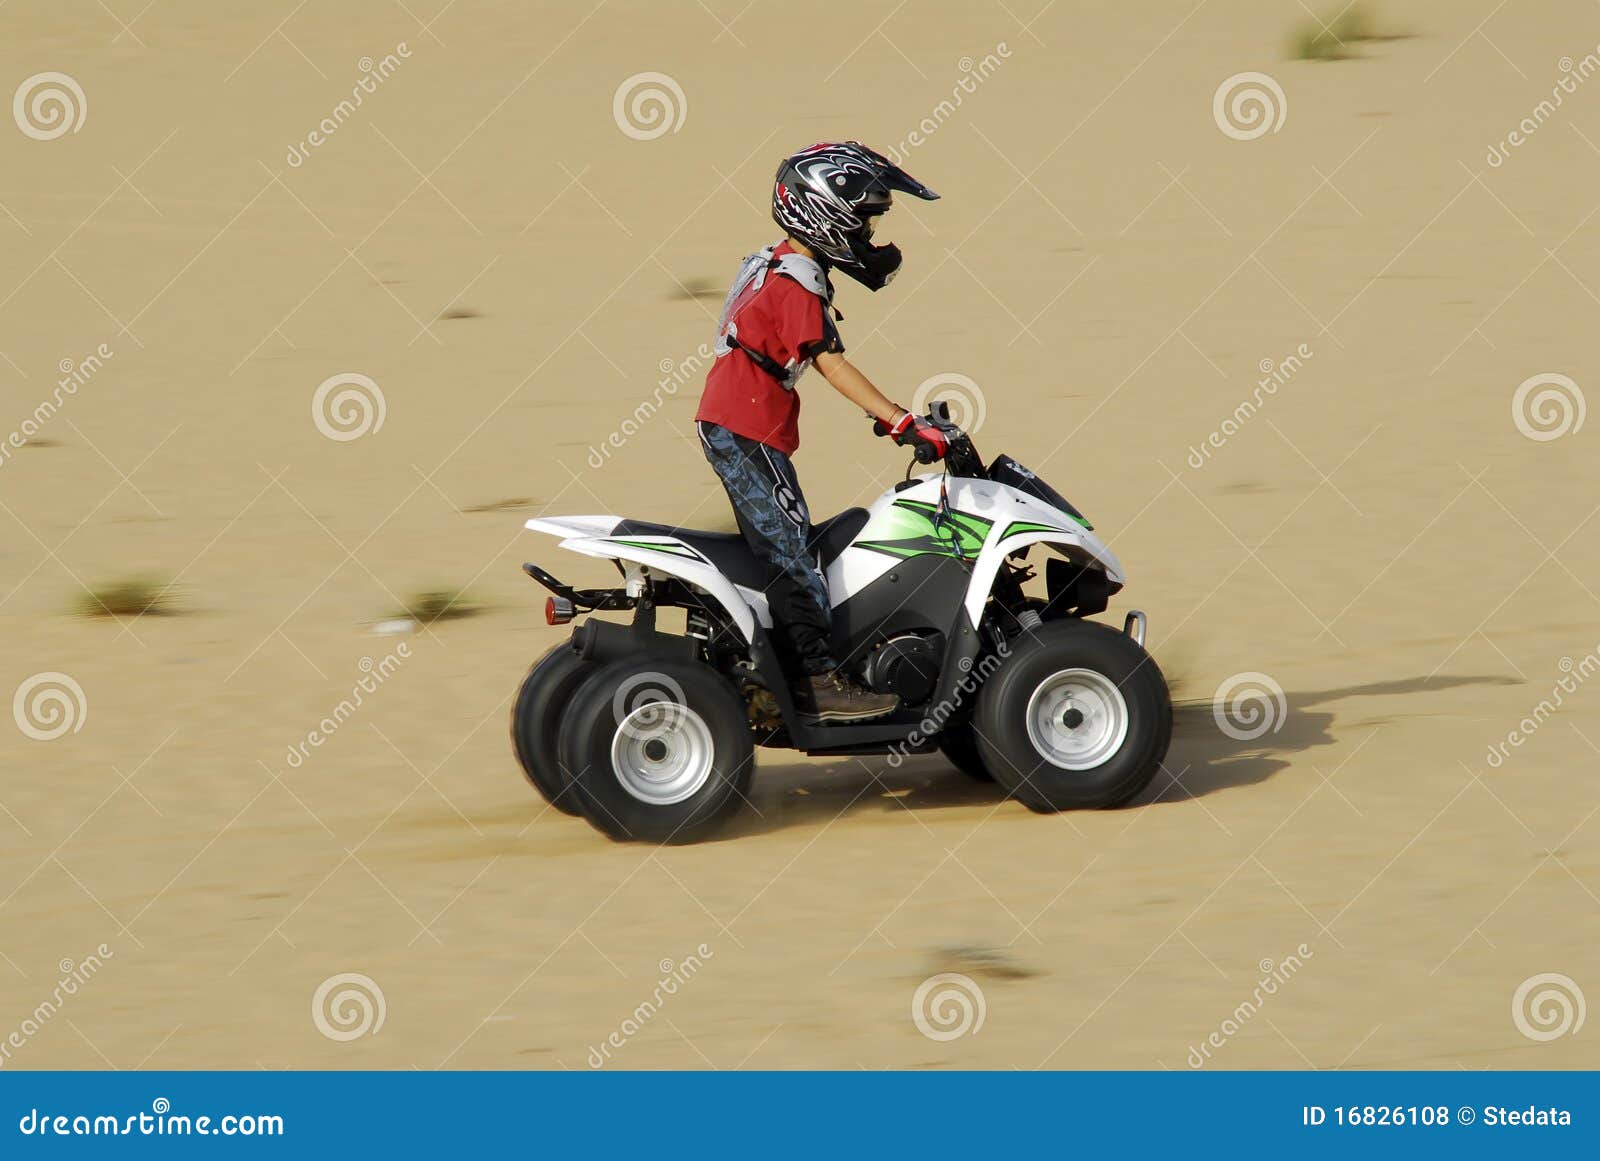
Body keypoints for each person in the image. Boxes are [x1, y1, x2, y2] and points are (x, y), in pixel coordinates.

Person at [693, 141, 948, 722]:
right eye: (864, 217)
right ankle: (816, 680)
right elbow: (830, 363)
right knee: (791, 554)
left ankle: (776, 668)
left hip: (742, 421)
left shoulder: (776, 261)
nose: (870, 231)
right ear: (826, 213)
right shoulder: (797, 284)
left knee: (791, 542)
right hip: (744, 425)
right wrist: (900, 419)